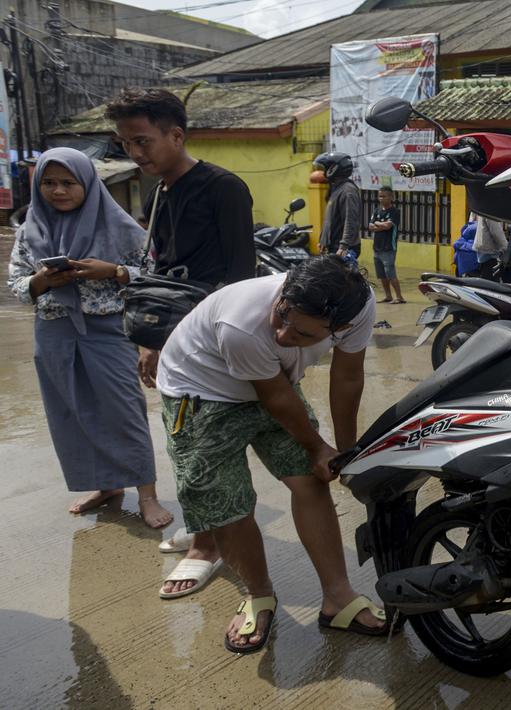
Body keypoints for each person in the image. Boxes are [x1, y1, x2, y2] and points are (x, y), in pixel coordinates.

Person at [156, 256, 385, 653]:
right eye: (282, 316)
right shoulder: (242, 323)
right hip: (199, 391)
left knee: (311, 481)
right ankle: (259, 594)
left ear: (340, 328)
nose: (281, 333)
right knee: (227, 504)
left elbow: (347, 376)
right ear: (284, 293)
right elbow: (276, 397)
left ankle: (338, 598)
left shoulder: (358, 308)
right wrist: (317, 446)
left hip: (272, 378)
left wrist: (345, 454)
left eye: (301, 333)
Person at [105, 87, 256, 597]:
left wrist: (193, 342)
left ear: (177, 134)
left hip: (212, 342)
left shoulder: (222, 188)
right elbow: (161, 279)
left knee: (205, 447)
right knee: (184, 442)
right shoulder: (160, 193)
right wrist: (153, 341)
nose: (135, 153)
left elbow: (240, 278)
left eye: (143, 141)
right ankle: (207, 531)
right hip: (174, 340)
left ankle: (208, 548)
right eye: (127, 144)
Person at [6, 148, 173, 530]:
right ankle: (106, 486)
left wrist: (112, 270)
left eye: (68, 182)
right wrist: (42, 281)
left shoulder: (119, 225)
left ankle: (147, 494)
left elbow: (152, 275)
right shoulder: (31, 228)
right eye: (49, 182)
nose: (58, 191)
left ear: (88, 184)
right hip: (53, 331)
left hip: (107, 330)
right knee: (73, 412)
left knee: (123, 412)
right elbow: (15, 283)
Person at [315, 152, 362, 265]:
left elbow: (350, 221)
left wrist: (344, 247)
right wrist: (323, 240)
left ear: (334, 168)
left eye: (326, 167)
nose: (324, 171)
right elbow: (330, 220)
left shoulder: (347, 191)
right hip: (334, 247)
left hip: (342, 249)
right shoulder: (337, 189)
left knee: (344, 281)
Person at [368, 185, 404, 303]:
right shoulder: (376, 211)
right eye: (380, 196)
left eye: (384, 196)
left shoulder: (395, 212)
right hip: (377, 248)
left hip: (388, 248)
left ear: (391, 197)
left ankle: (399, 297)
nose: (381, 199)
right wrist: (381, 225)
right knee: (381, 275)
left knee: (390, 273)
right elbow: (370, 227)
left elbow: (388, 226)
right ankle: (388, 296)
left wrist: (378, 224)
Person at [472, 214, 508, 281]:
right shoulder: (491, 212)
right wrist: (506, 247)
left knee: (485, 279)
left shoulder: (485, 209)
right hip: (489, 250)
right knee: (491, 283)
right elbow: (496, 232)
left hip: (483, 248)